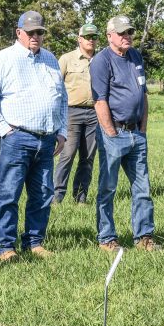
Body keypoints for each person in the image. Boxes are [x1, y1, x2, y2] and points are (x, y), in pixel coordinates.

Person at [0, 10, 66, 262]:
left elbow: (61, 99)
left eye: (40, 32)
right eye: (31, 32)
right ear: (19, 33)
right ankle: (4, 246)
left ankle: (35, 242)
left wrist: (61, 132)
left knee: (42, 194)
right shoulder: (2, 59)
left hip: (47, 139)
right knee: (8, 194)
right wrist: (6, 131)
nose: (36, 36)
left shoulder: (50, 59)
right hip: (17, 138)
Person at [91, 15, 159, 252]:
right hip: (114, 133)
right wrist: (110, 132)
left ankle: (144, 237)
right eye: (121, 33)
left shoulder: (135, 56)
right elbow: (100, 101)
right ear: (110, 36)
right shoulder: (101, 61)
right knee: (108, 188)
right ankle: (107, 238)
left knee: (143, 188)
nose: (127, 36)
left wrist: (143, 128)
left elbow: (143, 93)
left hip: (136, 134)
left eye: (129, 32)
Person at [52, 23, 99, 204]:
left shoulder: (101, 59)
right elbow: (55, 86)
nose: (91, 40)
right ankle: (57, 196)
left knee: (87, 158)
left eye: (94, 37)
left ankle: (80, 197)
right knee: (67, 154)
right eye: (87, 37)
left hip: (95, 113)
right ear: (79, 39)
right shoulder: (66, 59)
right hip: (71, 112)